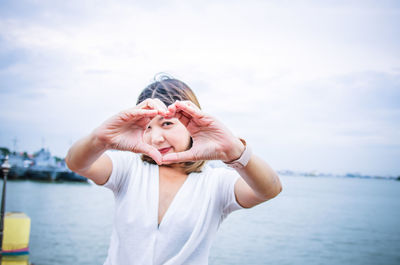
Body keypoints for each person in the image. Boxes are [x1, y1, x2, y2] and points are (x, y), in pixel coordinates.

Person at [65, 75, 282, 265]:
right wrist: (99, 139)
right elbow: (77, 163)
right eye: (147, 127)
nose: (155, 138)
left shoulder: (216, 183)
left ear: (192, 124)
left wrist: (235, 151)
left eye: (167, 123)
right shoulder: (128, 169)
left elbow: (269, 189)